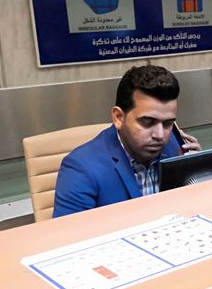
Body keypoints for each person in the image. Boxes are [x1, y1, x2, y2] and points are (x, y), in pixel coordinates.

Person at [53, 64, 200, 217]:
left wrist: (199, 172)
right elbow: (68, 237)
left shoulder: (177, 148)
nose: (160, 135)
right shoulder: (80, 168)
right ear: (118, 117)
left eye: (167, 123)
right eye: (148, 122)